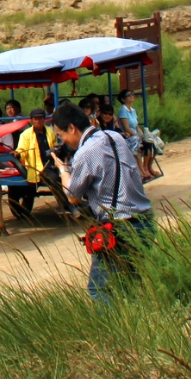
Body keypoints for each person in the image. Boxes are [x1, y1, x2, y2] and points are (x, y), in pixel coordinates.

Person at [51, 100, 152, 301]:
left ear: (72, 127)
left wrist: (63, 169)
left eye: (61, 135)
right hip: (144, 221)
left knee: (100, 290)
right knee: (129, 287)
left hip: (119, 227)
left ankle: (115, 333)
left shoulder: (84, 153)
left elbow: (72, 196)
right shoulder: (114, 136)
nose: (63, 141)